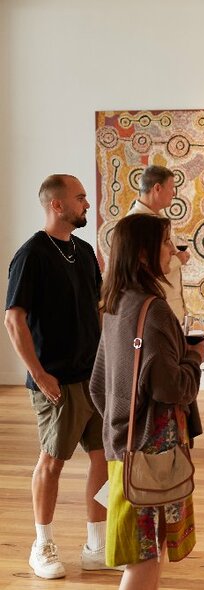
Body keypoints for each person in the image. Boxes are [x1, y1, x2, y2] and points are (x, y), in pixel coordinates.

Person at [4, 174, 117, 578]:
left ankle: (96, 543)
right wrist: (39, 373)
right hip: (56, 381)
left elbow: (99, 310)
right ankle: (42, 545)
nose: (87, 204)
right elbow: (13, 319)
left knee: (104, 459)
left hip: (94, 377)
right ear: (57, 205)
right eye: (80, 198)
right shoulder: (31, 254)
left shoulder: (85, 251)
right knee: (52, 462)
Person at [90, 213, 204, 590]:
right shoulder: (152, 309)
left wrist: (119, 424)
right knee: (145, 555)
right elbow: (171, 390)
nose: (173, 250)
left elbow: (98, 384)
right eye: (166, 242)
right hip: (153, 453)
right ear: (143, 254)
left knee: (142, 551)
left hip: (122, 445)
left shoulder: (115, 303)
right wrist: (194, 359)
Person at [128, 165, 189, 323]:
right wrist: (178, 260)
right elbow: (138, 270)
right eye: (171, 187)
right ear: (157, 188)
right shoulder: (135, 223)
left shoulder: (156, 219)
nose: (174, 193)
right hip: (155, 314)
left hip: (169, 311)